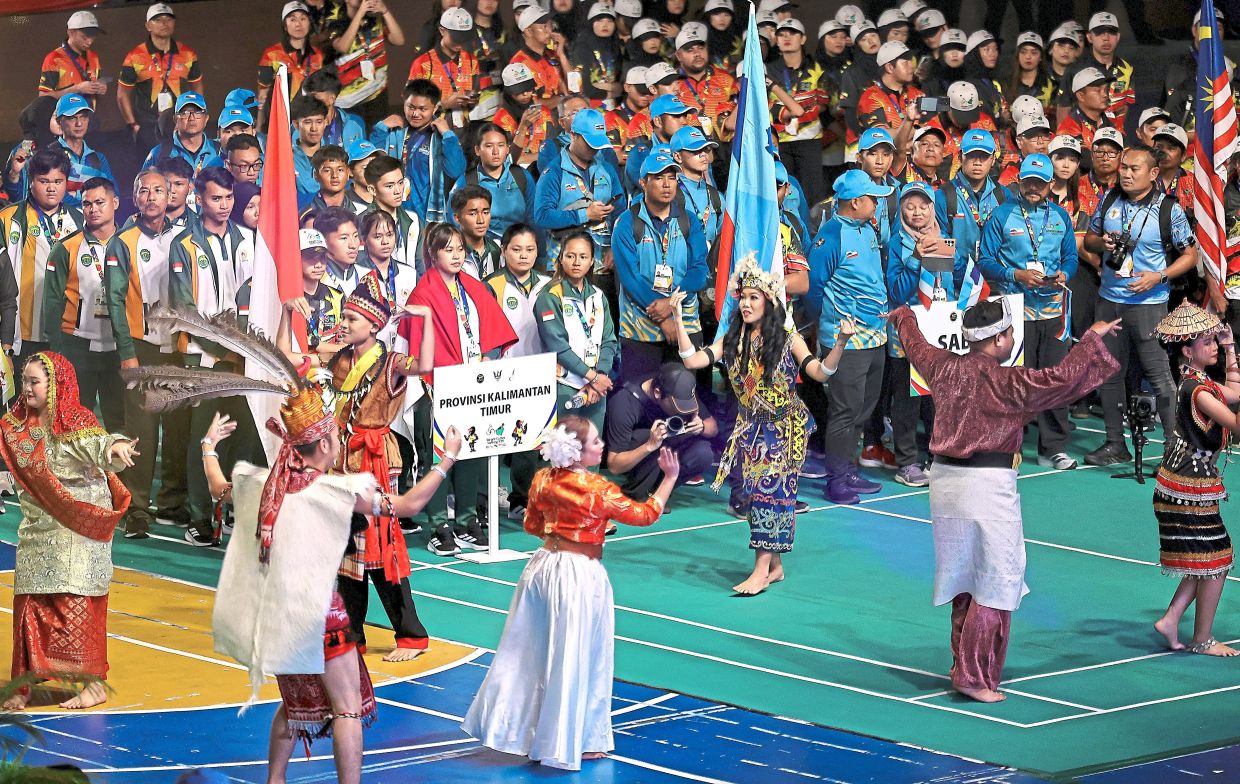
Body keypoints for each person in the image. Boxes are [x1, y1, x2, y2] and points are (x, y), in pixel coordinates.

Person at [195, 380, 463, 784]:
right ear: (322, 446)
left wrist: (209, 446)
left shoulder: (265, 485)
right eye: (335, 436)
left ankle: (275, 780)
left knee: (294, 704)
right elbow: (409, 505)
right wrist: (447, 460)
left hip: (280, 617)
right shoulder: (332, 491)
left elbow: (218, 488)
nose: (339, 442)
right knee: (347, 709)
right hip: (322, 617)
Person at [889, 300, 1120, 702]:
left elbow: (914, 342)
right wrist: (1090, 340)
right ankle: (974, 677)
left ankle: (962, 664)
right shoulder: (1009, 383)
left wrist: (903, 315)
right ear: (997, 340)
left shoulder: (943, 367)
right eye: (1010, 333)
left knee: (964, 580)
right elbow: (1063, 379)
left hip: (944, 484)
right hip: (988, 486)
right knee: (997, 581)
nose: (1014, 338)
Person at [461, 416, 678, 771]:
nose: (601, 445)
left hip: (543, 567)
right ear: (577, 452)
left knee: (531, 652)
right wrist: (668, 477)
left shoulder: (542, 479)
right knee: (579, 654)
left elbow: (533, 524)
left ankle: (527, 733)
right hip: (578, 575)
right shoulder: (598, 489)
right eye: (595, 442)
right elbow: (645, 514)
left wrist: (568, 525)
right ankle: (577, 740)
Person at [277, 274, 438, 662]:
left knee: (382, 550)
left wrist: (426, 319)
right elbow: (285, 356)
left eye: (352, 319)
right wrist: (286, 315)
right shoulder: (338, 358)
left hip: (377, 460)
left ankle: (411, 635)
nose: (345, 324)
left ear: (373, 324)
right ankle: (353, 635)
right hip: (342, 461)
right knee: (346, 550)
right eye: (345, 317)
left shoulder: (390, 363)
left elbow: (429, 363)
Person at [670, 258, 845, 594]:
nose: (747, 303)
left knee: (769, 495)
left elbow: (820, 373)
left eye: (755, 297)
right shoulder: (732, 338)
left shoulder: (787, 336)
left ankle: (760, 570)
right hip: (749, 429)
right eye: (743, 296)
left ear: (769, 302)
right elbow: (693, 360)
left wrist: (839, 344)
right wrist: (679, 321)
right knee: (756, 498)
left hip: (784, 428)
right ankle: (776, 567)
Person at [1, 352, 138, 711]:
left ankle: (93, 687)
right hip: (38, 529)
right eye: (25, 381)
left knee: (73, 603)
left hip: (77, 527)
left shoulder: (76, 421)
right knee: (29, 602)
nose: (27, 388)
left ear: (55, 385)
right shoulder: (18, 426)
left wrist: (117, 446)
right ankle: (22, 686)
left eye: (35, 382)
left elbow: (101, 444)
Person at [402, 223, 518, 556]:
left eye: (460, 249)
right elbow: (416, 345)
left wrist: (487, 355)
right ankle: (438, 523)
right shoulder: (422, 294)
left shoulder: (472, 286)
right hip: (434, 387)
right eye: (447, 249)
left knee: (471, 451)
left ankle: (467, 520)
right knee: (438, 455)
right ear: (432, 253)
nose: (456, 255)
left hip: (473, 383)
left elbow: (495, 332)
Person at [1083, 145, 1198, 466]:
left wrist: (1158, 276)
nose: (1126, 173)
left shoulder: (1168, 209)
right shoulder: (1108, 200)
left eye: (1134, 169)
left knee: (1160, 376)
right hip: (1108, 302)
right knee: (1108, 374)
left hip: (1149, 304)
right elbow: (1089, 239)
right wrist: (1100, 242)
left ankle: (1173, 451)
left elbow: (1191, 255)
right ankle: (1114, 444)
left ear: (1152, 174)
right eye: (1124, 168)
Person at [978, 154, 1079, 470]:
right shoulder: (1002, 215)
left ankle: (1054, 448)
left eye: (1040, 182)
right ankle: (1008, 445)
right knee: (1013, 382)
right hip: (1014, 311)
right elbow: (986, 261)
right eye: (1028, 181)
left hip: (1052, 311)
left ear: (1051, 184)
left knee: (1053, 379)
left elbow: (1071, 259)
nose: (1033, 187)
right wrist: (1015, 275)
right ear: (1019, 181)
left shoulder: (1060, 216)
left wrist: (1063, 274)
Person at [1151, 304, 1239, 657]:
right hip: (1186, 488)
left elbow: (1233, 393)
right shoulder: (1197, 390)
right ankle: (1202, 639)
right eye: (1207, 342)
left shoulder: (1200, 382)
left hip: (1186, 484)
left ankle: (1172, 618)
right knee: (1217, 556)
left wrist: (1231, 348)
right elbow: (1236, 424)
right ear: (1187, 351)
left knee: (1206, 557)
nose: (1213, 345)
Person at [104, 169, 184, 539]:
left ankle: (172, 501)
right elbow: (116, 302)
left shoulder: (186, 235)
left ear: (170, 196)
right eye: (143, 191)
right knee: (142, 431)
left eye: (158, 190)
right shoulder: (122, 241)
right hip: (142, 346)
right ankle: (135, 506)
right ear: (134, 198)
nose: (151, 197)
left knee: (179, 426)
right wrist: (126, 351)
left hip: (182, 348)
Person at [806, 169, 891, 504]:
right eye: (873, 198)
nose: (878, 203)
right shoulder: (832, 235)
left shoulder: (868, 229)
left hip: (876, 337)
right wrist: (828, 326)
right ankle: (837, 480)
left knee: (861, 410)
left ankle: (849, 470)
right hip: (846, 342)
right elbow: (813, 289)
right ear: (856, 202)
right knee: (844, 411)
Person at [612, 149, 708, 383]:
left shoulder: (688, 220)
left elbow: (699, 271)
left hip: (685, 324)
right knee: (639, 403)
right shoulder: (627, 223)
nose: (667, 185)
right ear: (643, 182)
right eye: (658, 178)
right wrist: (664, 317)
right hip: (639, 329)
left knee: (683, 400)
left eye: (671, 177)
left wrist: (670, 305)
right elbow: (630, 278)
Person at [43, 178, 124, 432]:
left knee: (119, 422)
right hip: (78, 347)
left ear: (115, 203)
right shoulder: (66, 247)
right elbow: (52, 302)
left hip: (119, 348)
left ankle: (117, 473)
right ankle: (78, 472)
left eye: (100, 202)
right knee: (75, 422)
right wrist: (58, 351)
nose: (93, 209)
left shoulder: (130, 244)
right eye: (86, 204)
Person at [487, 223, 552, 518]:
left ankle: (526, 498)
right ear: (503, 251)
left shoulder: (550, 284)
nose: (523, 255)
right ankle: (489, 499)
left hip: (541, 372)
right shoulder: (491, 285)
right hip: (502, 374)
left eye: (530, 249)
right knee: (495, 438)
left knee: (534, 440)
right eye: (516, 249)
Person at [0, 147, 82, 366]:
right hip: (23, 333)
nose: (52, 188)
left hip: (66, 334)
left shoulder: (80, 220)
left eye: (58, 181)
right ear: (31, 181)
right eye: (44, 181)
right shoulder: (9, 219)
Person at [535, 231, 617, 434]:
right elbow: (557, 346)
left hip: (596, 386)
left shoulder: (598, 296)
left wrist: (600, 376)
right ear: (560, 258)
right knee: (561, 455)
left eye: (583, 257)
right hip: (563, 385)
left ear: (592, 261)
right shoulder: (550, 296)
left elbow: (609, 341)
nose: (576, 262)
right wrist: (592, 377)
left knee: (591, 453)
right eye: (570, 256)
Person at [532, 108, 624, 271]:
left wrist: (614, 247)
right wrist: (585, 214)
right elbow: (542, 216)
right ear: (573, 135)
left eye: (598, 144)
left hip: (602, 264)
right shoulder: (554, 172)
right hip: (563, 266)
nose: (595, 149)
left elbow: (621, 212)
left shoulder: (607, 169)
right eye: (590, 144)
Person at [370, 79, 468, 224]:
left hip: (426, 216)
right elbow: (372, 164)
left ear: (434, 109)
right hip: (394, 212)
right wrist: (380, 129)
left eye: (423, 109)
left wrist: (448, 135)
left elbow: (455, 171)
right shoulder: (395, 131)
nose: (415, 114)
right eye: (411, 107)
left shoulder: (442, 137)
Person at [118, 3, 203, 151]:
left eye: (168, 19)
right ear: (147, 25)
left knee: (182, 168)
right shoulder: (135, 56)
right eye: (157, 20)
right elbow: (122, 94)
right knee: (150, 170)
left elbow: (197, 86)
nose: (164, 23)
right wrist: (133, 125)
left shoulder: (188, 53)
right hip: (148, 125)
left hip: (180, 122)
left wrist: (197, 116)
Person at [321, 0, 406, 128]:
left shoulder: (373, 21)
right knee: (354, 140)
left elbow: (399, 40)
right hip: (350, 101)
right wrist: (360, 13)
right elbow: (343, 46)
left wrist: (385, 11)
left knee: (379, 139)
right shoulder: (335, 23)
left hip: (377, 94)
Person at [407, 7, 481, 131]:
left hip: (464, 132)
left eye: (465, 37)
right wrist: (444, 104)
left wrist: (471, 100)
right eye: (456, 37)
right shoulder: (423, 63)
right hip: (430, 133)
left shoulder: (471, 61)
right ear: (442, 31)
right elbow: (410, 103)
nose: (460, 43)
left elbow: (475, 96)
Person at [257, 0, 326, 117]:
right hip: (280, 118)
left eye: (303, 19)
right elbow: (263, 95)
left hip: (309, 119)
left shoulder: (318, 55)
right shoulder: (271, 54)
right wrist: (260, 130)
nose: (298, 24)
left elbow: (323, 91)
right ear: (285, 25)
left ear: (309, 23)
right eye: (293, 19)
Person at [143, 92, 219, 175]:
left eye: (197, 112)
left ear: (206, 118)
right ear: (175, 119)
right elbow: (144, 185)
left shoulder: (219, 151)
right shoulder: (160, 153)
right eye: (185, 113)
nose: (191, 118)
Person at [39, 11, 106, 102]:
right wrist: (76, 89)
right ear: (70, 32)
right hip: (63, 115)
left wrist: (100, 87)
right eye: (84, 37)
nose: (89, 42)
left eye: (93, 37)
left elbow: (98, 81)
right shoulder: (54, 58)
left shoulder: (93, 56)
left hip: (89, 114)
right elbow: (43, 96)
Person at [453, 186, 501, 280]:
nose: (481, 220)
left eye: (485, 212)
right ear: (457, 218)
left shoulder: (498, 250)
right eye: (473, 214)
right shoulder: (448, 253)